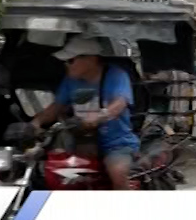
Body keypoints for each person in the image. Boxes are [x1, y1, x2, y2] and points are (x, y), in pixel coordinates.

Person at [37, 37, 140, 189]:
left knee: (117, 172)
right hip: (80, 141)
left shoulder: (116, 75)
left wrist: (99, 116)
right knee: (50, 167)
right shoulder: (70, 81)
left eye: (71, 60)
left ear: (91, 59)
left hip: (116, 143)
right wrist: (34, 124)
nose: (66, 65)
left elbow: (119, 103)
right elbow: (55, 108)